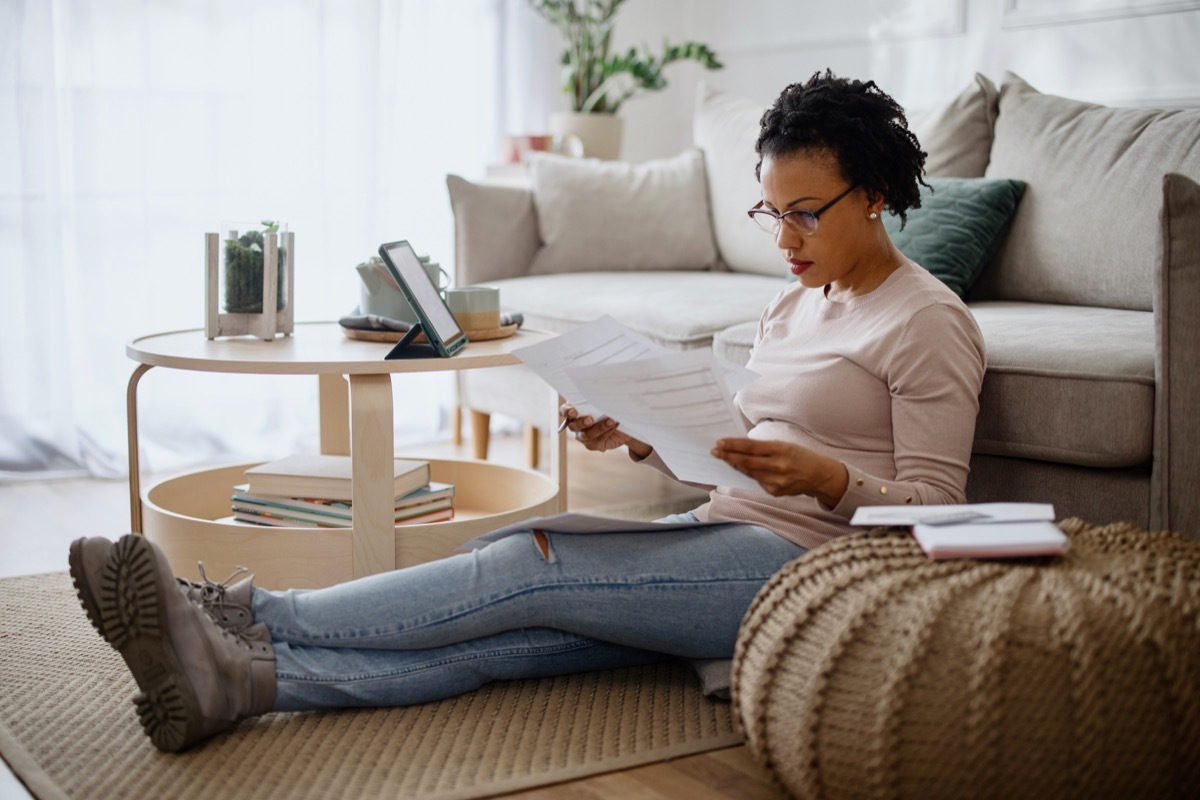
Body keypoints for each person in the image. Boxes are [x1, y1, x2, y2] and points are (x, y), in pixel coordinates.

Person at [68, 70, 985, 753]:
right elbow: (730, 458)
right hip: (724, 529)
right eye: (769, 212)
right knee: (516, 638)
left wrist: (834, 481)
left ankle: (239, 613)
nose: (783, 240)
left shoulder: (927, 321)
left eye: (806, 214)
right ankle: (240, 682)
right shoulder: (798, 299)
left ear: (874, 195)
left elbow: (943, 512)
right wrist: (643, 437)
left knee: (527, 561)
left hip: (809, 569)